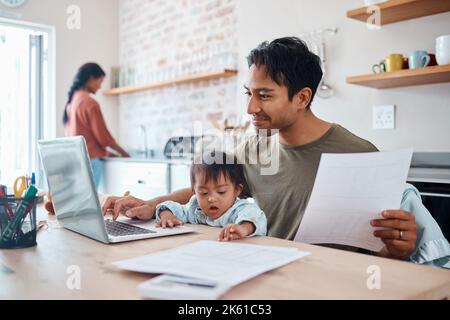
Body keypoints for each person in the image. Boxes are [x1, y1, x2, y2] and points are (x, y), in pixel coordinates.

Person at [102, 38, 450, 265]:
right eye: (248, 93)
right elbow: (209, 186)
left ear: (302, 98)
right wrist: (150, 204)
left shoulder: (360, 155)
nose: (251, 106)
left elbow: (386, 255)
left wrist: (397, 249)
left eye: (264, 95)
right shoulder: (255, 145)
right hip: (256, 276)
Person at [152, 151, 265, 241]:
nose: (211, 199)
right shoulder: (195, 209)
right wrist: (167, 216)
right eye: (203, 193)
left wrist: (243, 228)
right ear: (194, 192)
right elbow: (171, 207)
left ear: (237, 190)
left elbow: (255, 217)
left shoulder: (240, 209)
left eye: (221, 192)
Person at [63, 63, 129, 189]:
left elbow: (83, 137)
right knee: (94, 203)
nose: (100, 86)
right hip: (91, 162)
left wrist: (106, 152)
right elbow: (104, 138)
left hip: (76, 160)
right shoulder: (90, 103)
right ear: (91, 78)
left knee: (83, 203)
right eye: (100, 81)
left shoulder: (72, 102)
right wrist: (125, 154)